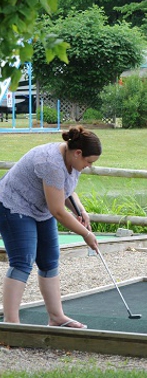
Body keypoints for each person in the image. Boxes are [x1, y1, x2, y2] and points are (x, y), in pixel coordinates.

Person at [0, 126, 102, 328]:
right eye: (88, 162)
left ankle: (56, 317)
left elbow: (66, 191)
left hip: (39, 207)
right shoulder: (51, 162)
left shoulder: (72, 161)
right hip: (13, 205)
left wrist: (80, 210)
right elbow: (58, 210)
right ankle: (11, 324)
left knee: (49, 259)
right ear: (78, 153)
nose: (88, 166)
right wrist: (86, 234)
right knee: (23, 260)